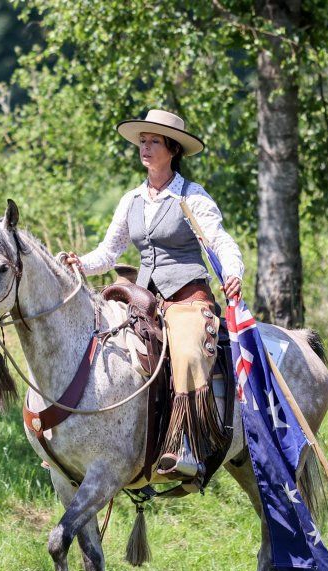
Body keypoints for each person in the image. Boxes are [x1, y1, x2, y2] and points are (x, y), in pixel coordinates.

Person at [64, 109, 243, 477]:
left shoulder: (192, 197)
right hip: (144, 298)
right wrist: (79, 263)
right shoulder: (131, 199)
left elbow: (220, 242)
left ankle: (189, 444)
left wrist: (233, 273)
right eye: (142, 141)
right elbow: (108, 253)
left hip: (187, 298)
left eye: (154, 141)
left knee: (189, 352)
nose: (145, 147)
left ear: (172, 149)